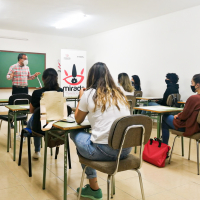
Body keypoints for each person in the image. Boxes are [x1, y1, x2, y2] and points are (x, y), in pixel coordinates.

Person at [70, 62, 131, 200]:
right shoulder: (120, 93)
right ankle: (93, 186)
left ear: (91, 77)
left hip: (105, 150)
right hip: (126, 149)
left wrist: (81, 97)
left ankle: (94, 188)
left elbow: (78, 120)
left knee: (75, 134)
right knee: (90, 139)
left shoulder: (88, 93)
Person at [26, 68, 71, 158]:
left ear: (43, 78)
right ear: (56, 78)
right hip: (56, 126)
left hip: (39, 127)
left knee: (35, 116)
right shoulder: (60, 91)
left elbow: (31, 110)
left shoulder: (37, 93)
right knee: (37, 117)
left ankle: (37, 150)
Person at [162, 74, 200, 145]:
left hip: (189, 127)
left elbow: (184, 116)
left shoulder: (194, 98)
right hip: (198, 128)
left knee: (165, 117)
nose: (191, 85)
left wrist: (178, 115)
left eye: (192, 83)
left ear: (197, 85)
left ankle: (164, 145)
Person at [6, 53, 41, 127]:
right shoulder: (13, 67)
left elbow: (29, 77)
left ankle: (23, 120)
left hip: (25, 88)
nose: (26, 60)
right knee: (13, 104)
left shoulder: (27, 68)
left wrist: (34, 75)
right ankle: (11, 121)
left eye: (26, 59)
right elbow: (8, 77)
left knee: (25, 104)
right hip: (16, 88)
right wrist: (11, 76)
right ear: (20, 59)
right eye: (25, 59)